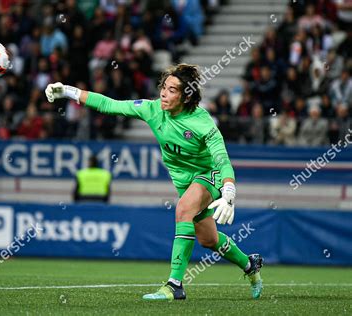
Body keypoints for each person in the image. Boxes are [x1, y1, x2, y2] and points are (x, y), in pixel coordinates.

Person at [45, 63, 263, 301]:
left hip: (209, 175)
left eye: (171, 90)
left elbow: (221, 158)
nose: (163, 93)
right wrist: (68, 91)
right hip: (184, 183)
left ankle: (175, 285)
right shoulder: (152, 109)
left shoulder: (202, 122)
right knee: (208, 239)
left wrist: (228, 189)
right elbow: (111, 105)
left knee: (183, 210)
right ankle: (250, 264)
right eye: (163, 87)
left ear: (185, 96)